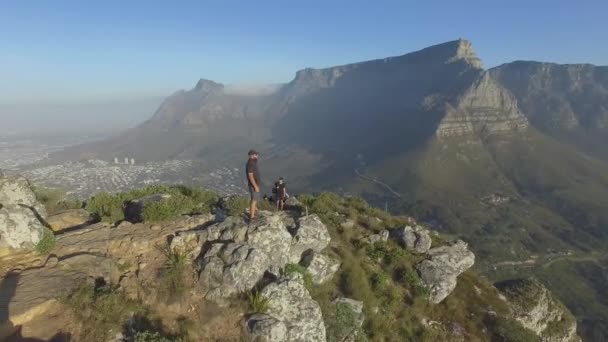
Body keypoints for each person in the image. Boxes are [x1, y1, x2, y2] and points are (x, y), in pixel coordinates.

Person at [245, 149, 261, 222]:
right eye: (255, 154)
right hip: (253, 185)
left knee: (254, 199)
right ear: (251, 155)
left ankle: (254, 211)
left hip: (255, 184)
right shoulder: (250, 163)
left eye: (256, 154)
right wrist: (255, 186)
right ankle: (252, 217)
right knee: (254, 200)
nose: (257, 155)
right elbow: (250, 176)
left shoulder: (253, 162)